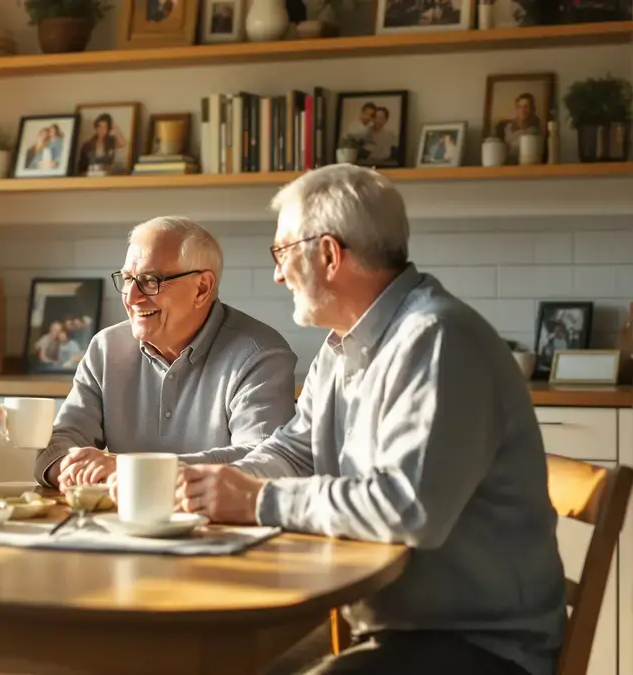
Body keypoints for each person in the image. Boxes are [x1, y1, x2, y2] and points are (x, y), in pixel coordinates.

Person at [177, 165, 566, 675]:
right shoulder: (342, 346)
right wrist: (200, 481)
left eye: (282, 253)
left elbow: (406, 507)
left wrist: (255, 499)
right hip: (390, 629)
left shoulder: (436, 340)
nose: (276, 273)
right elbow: (296, 451)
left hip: (480, 647)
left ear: (329, 255)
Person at [35, 216, 298, 489]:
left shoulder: (260, 354)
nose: (131, 297)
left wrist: (132, 470)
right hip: (120, 521)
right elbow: (58, 442)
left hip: (215, 525)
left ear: (202, 288)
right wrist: (71, 469)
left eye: (150, 281)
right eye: (128, 279)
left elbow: (263, 460)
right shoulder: (105, 348)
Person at [497, 92, 542, 162]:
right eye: (520, 107)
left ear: (532, 109)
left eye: (526, 107)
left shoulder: (534, 129)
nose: (522, 110)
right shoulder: (508, 127)